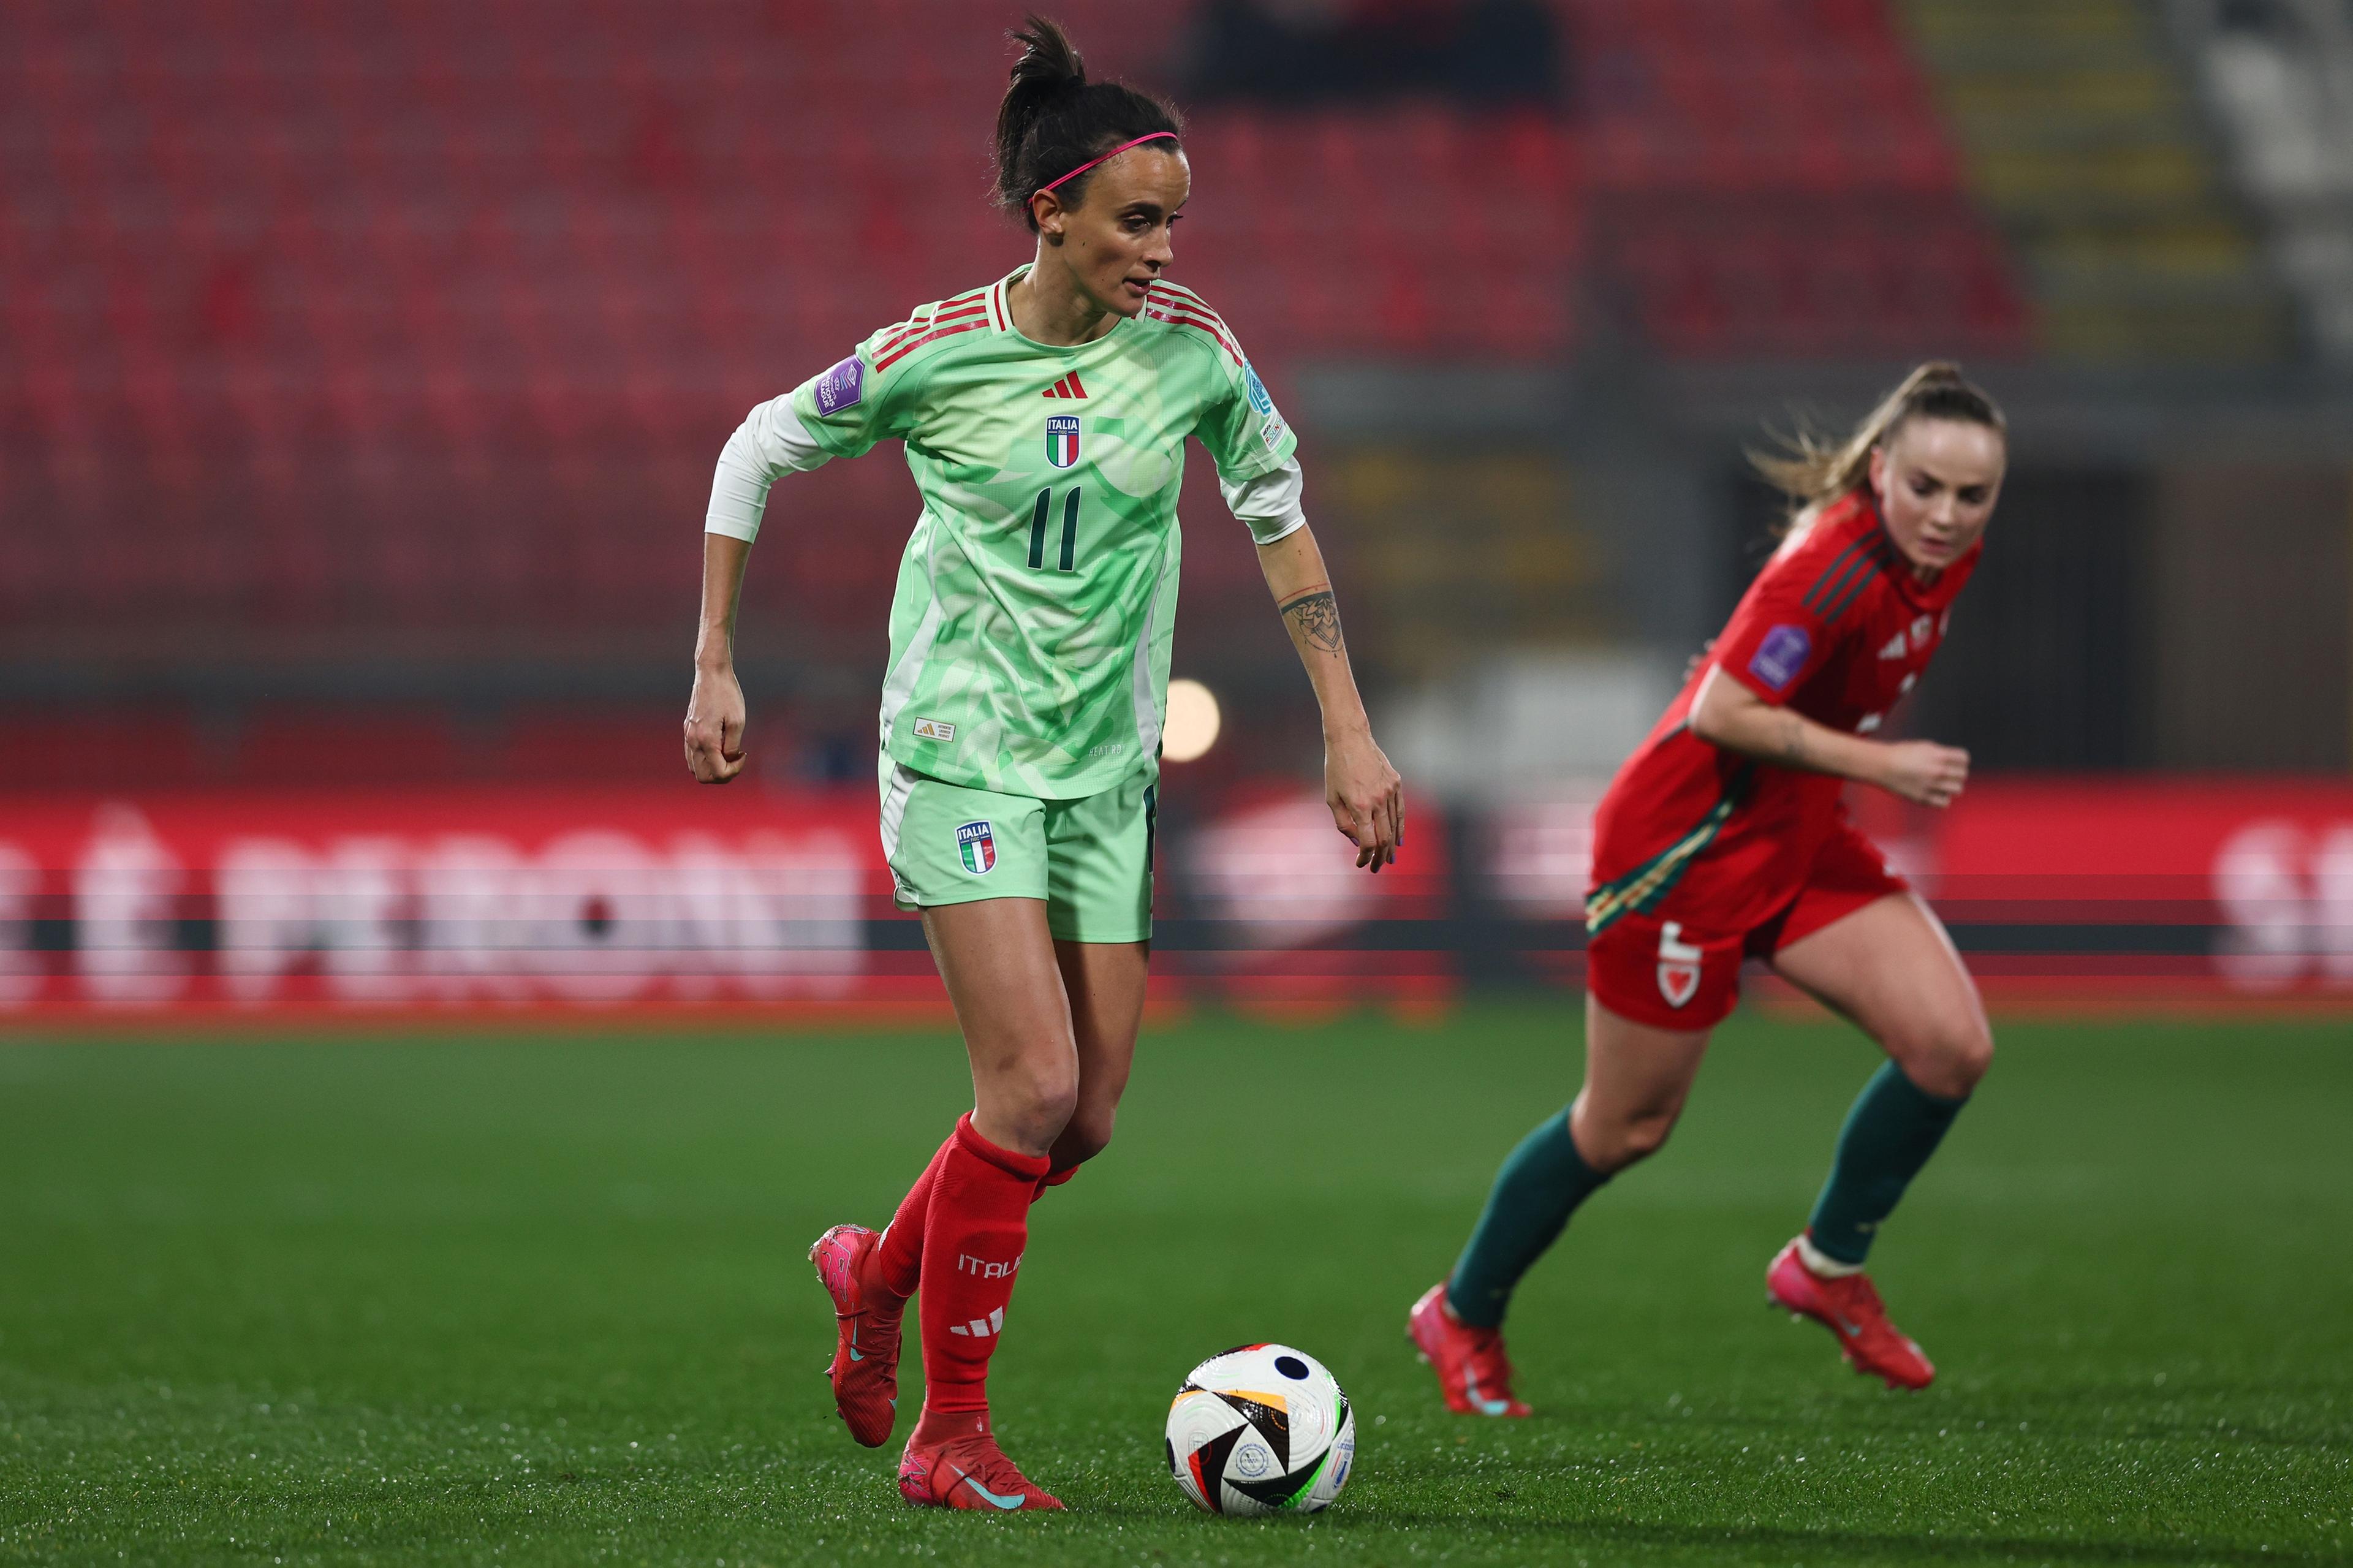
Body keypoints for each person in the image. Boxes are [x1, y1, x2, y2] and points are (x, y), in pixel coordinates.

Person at [683, 15, 1404, 1511]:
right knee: (1026, 1085)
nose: (1161, 248)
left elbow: (1276, 511)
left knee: (1083, 1117)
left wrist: (1346, 722)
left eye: (1175, 221)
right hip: (961, 758)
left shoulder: (1195, 354)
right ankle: (950, 1435)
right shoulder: (933, 355)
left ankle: (875, 1276)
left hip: (1105, 773)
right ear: (1052, 211)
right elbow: (756, 446)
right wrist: (714, 659)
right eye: (1137, 220)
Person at [1410, 364, 2006, 1413]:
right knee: (1625, 1128)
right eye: (1925, 488)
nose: (1948, 515)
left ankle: (1824, 1268)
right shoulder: (1830, 565)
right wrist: (1883, 766)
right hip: (1679, 850)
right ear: (1881, 472)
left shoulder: (1936, 559)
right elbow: (1721, 711)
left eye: (1972, 496)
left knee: (1951, 1050)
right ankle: (1461, 1312)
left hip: (1793, 829)